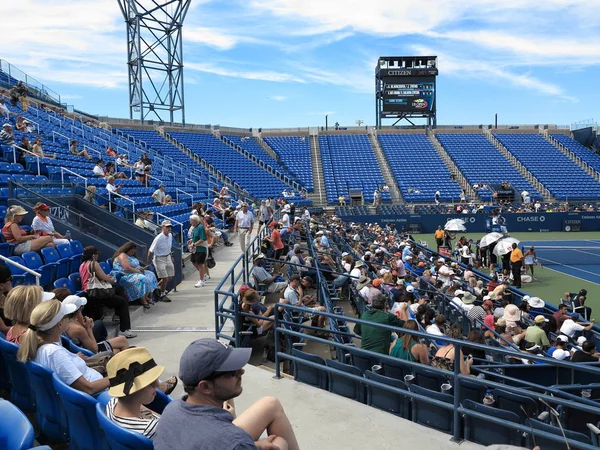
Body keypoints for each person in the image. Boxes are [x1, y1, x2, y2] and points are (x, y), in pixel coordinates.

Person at [154, 339, 300, 450]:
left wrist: (255, 446)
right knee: (280, 443)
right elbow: (228, 442)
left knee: (270, 404)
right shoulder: (234, 441)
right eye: (231, 372)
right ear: (205, 386)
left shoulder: (171, 409)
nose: (241, 372)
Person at [17, 300, 110, 395]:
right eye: (67, 316)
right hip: (99, 395)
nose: (69, 319)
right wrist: (118, 378)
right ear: (60, 324)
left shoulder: (41, 344)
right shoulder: (54, 353)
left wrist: (74, 359)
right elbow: (89, 389)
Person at [105, 347, 165, 439]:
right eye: (150, 382)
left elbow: (140, 407)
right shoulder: (152, 429)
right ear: (130, 388)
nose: (157, 384)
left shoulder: (112, 404)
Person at [80, 246, 136, 338]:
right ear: (94, 255)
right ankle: (124, 329)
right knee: (122, 302)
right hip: (96, 293)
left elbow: (94, 277)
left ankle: (118, 315)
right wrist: (112, 279)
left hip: (88, 291)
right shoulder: (94, 264)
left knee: (118, 289)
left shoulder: (82, 264)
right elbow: (105, 278)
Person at [62, 295, 129, 354]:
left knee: (121, 342)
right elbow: (94, 349)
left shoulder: (65, 322)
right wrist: (89, 328)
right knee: (120, 345)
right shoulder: (78, 329)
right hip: (88, 355)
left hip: (81, 351)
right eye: (81, 308)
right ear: (78, 311)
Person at [113, 242, 159, 307]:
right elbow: (126, 268)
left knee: (151, 275)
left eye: (134, 252)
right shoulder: (122, 255)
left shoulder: (131, 256)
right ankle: (142, 299)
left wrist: (141, 269)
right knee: (142, 278)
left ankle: (146, 296)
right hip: (124, 275)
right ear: (127, 249)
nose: (133, 253)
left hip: (134, 272)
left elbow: (135, 266)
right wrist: (137, 271)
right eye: (131, 252)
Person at [148, 221, 175, 302]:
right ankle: (162, 294)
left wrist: (171, 256)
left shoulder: (170, 235)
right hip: (159, 259)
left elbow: (168, 247)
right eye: (167, 227)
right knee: (165, 278)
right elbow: (150, 251)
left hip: (168, 257)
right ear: (162, 227)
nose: (169, 228)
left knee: (170, 276)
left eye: (169, 227)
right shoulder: (158, 238)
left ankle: (154, 288)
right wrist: (148, 263)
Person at [188, 215, 209, 288]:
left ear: (195, 221)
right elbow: (194, 237)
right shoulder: (194, 228)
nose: (190, 222)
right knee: (193, 261)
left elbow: (203, 238)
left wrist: (194, 244)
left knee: (200, 264)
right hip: (195, 249)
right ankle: (204, 275)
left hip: (201, 248)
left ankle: (202, 280)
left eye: (191, 220)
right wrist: (191, 241)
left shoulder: (200, 227)